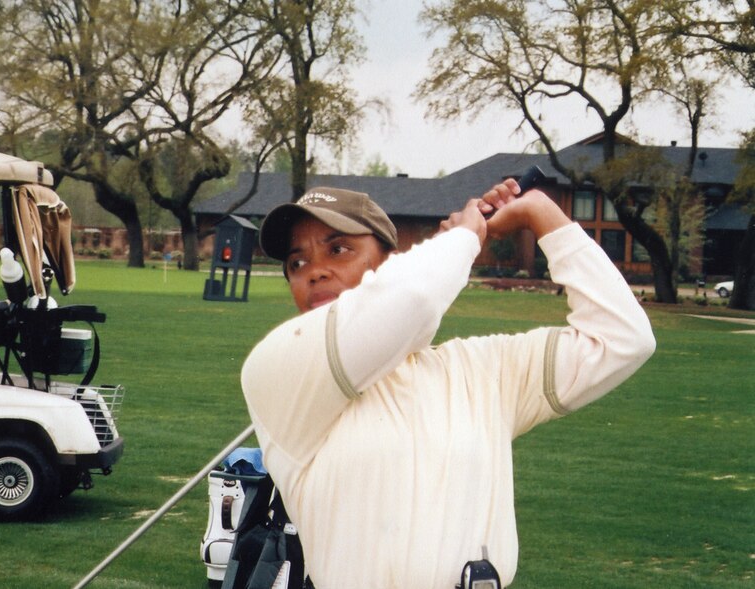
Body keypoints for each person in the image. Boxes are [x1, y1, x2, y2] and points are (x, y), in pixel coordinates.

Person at [240, 181, 656, 588]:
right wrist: (462, 240)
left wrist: (542, 213)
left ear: (390, 262)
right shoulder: (276, 369)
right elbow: (412, 301)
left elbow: (622, 339)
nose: (315, 272)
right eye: (297, 263)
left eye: (338, 249)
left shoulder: (481, 370)